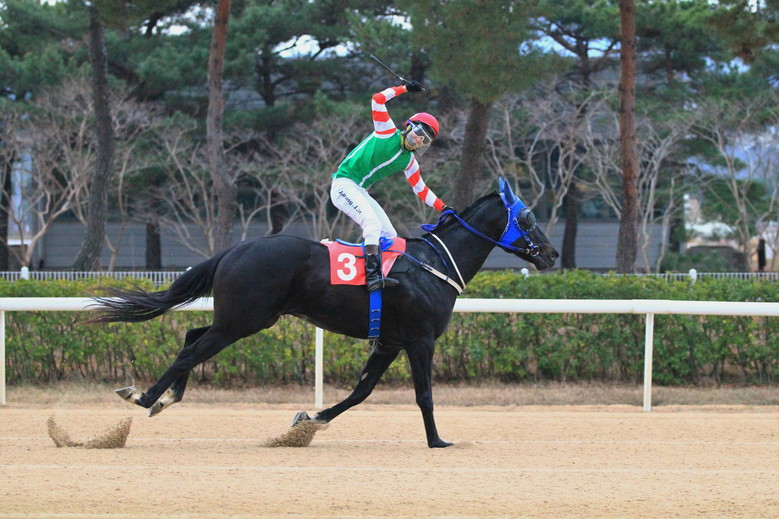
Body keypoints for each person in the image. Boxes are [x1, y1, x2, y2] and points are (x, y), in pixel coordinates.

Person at [330, 80, 452, 292]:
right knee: (372, 224)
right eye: (419, 133)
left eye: (425, 141)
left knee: (390, 235)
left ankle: (385, 276)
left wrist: (443, 207)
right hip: (343, 184)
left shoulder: (410, 162)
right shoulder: (386, 130)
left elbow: (421, 190)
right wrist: (404, 89)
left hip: (360, 190)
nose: (419, 141)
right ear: (409, 126)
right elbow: (377, 99)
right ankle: (371, 276)